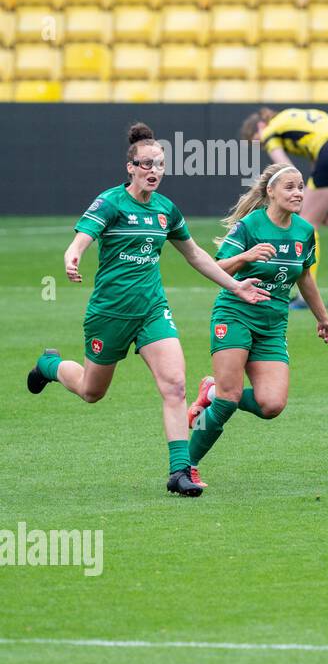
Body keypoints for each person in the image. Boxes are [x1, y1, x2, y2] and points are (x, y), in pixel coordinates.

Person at [27, 122, 269, 496]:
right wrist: (73, 256)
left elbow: (195, 255)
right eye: (146, 164)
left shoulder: (166, 210)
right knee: (92, 391)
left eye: (159, 164)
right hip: (110, 313)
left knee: (174, 386)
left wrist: (236, 285)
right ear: (131, 167)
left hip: (153, 311)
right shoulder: (110, 202)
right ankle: (49, 365)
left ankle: (179, 472)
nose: (154, 171)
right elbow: (82, 239)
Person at [187, 164, 328, 483]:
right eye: (289, 187)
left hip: (273, 325)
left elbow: (305, 276)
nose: (298, 192)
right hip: (235, 315)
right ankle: (186, 465)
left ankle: (211, 391)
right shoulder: (249, 226)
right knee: (230, 401)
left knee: (271, 405)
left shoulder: (304, 231)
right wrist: (245, 257)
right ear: (270, 192)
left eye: (301, 186)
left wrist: (323, 318)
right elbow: (218, 269)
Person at [239, 107, 328, 309]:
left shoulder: (270, 131)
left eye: (258, 141)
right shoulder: (292, 116)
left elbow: (287, 171)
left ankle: (304, 296)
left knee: (307, 224)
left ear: (260, 126)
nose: (263, 145)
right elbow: (319, 165)